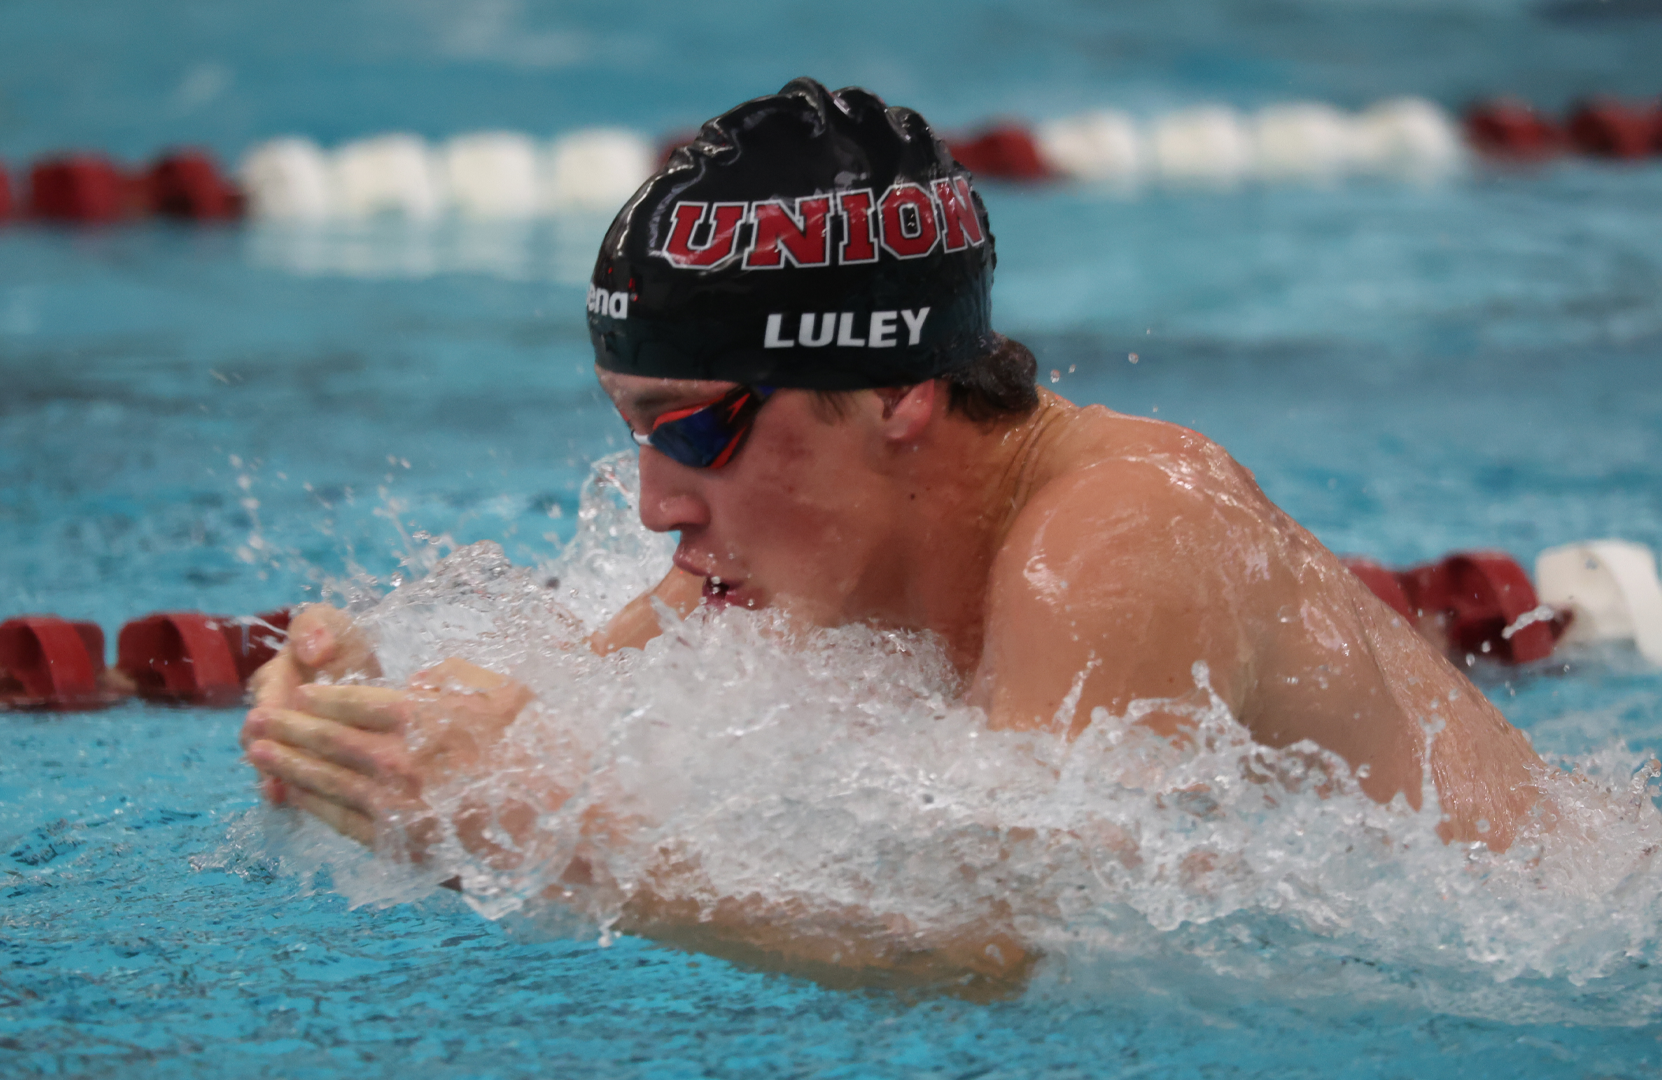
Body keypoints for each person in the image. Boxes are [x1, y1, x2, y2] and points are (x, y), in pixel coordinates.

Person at [240, 78, 1548, 992]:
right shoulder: (793, 547)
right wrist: (369, 723)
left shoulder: (1123, 533)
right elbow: (572, 702)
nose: (654, 503)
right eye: (631, 430)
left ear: (900, 391)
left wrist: (566, 846)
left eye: (695, 430)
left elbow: (1006, 945)